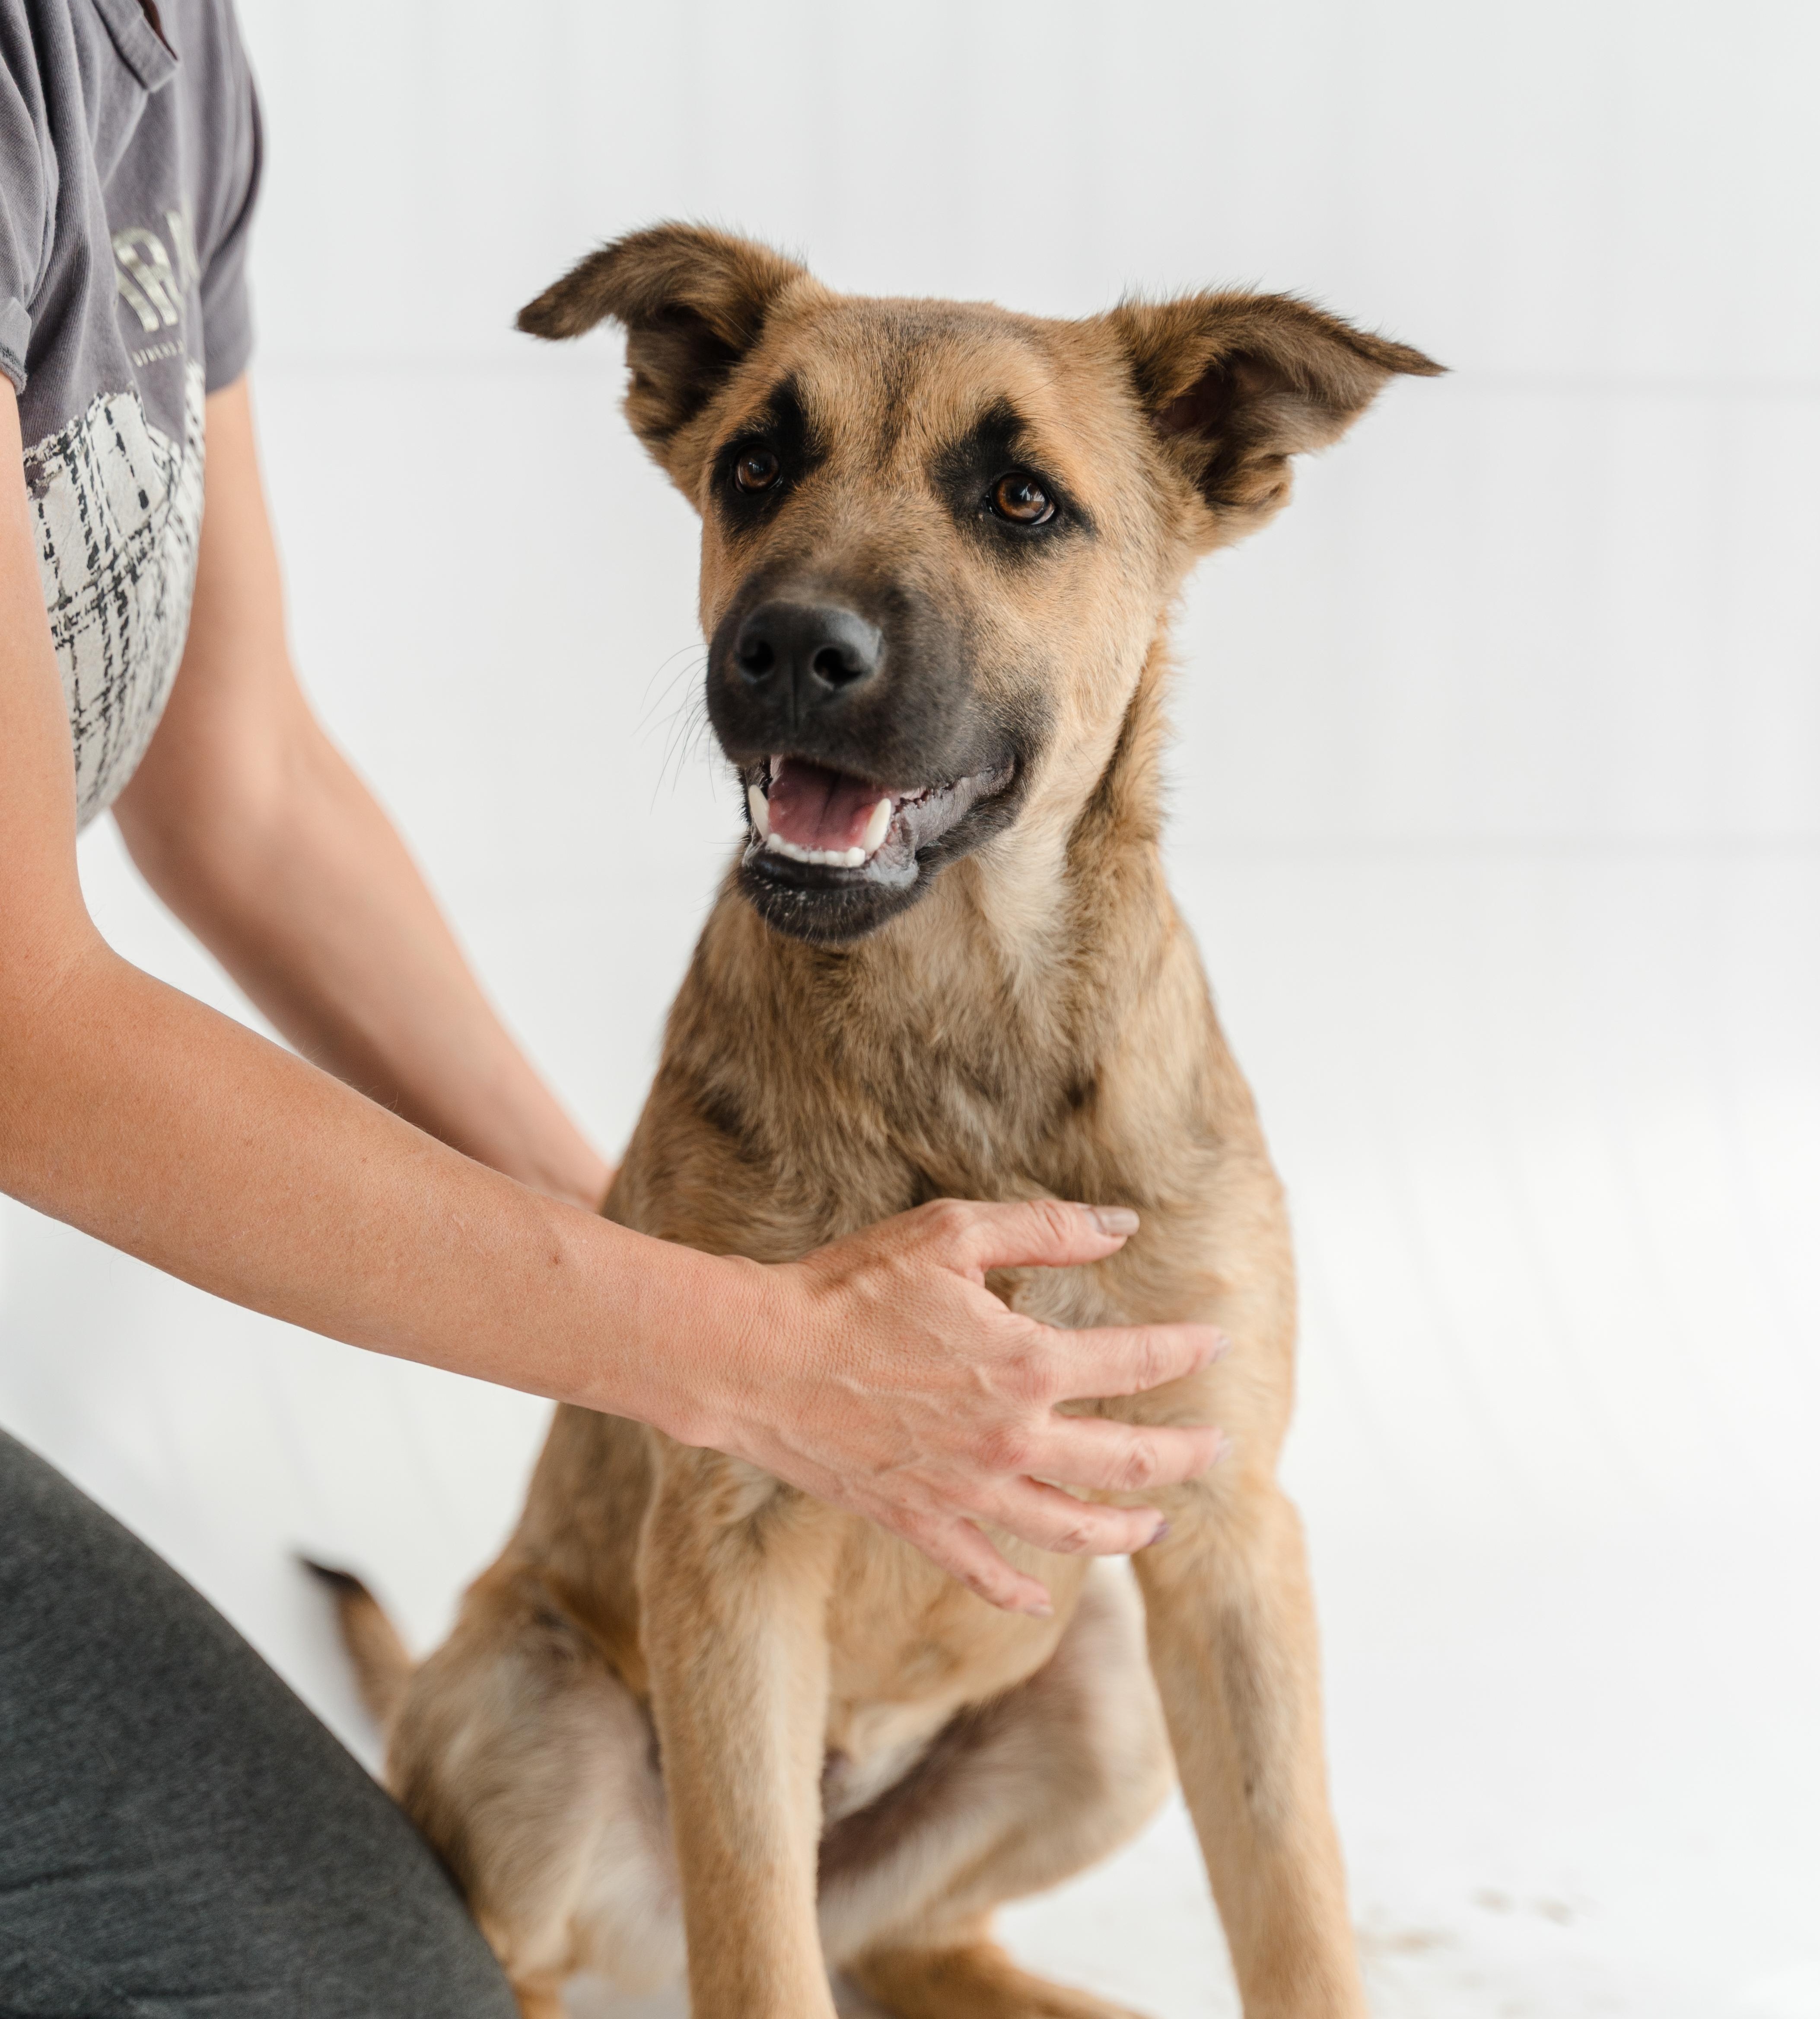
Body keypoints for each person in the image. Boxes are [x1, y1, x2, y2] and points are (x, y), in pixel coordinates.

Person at [0, 4, 1226, 2011]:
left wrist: (666, 1254)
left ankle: (905, 1954)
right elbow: (14, 1022)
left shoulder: (165, 64)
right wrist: (735, 1349)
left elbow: (242, 792)